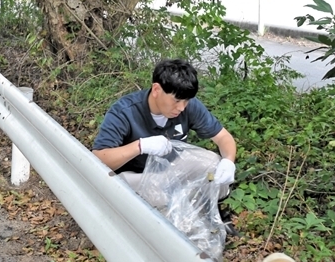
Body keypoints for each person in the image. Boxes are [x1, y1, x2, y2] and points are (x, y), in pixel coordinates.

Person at [92, 59, 236, 189]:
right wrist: (141, 146)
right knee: (159, 196)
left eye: (186, 101)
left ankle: (207, 207)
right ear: (156, 90)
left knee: (212, 163)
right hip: (135, 179)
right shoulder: (124, 112)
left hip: (171, 172)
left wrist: (229, 161)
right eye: (177, 100)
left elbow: (223, 136)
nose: (181, 108)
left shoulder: (189, 106)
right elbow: (99, 158)